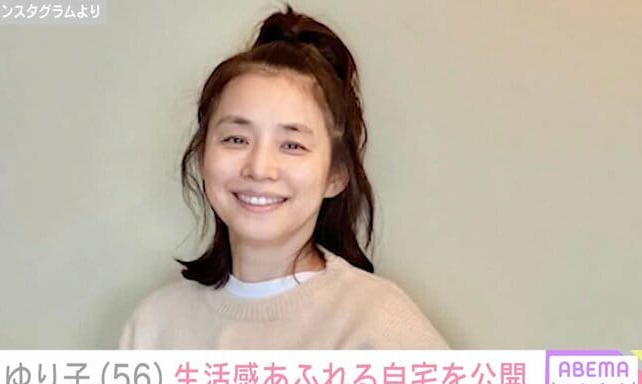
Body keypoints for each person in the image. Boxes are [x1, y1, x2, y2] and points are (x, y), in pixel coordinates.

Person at [118, 5, 448, 350]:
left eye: (292, 145)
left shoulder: (380, 324)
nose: (259, 168)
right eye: (236, 139)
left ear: (336, 174)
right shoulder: (153, 325)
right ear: (202, 156)